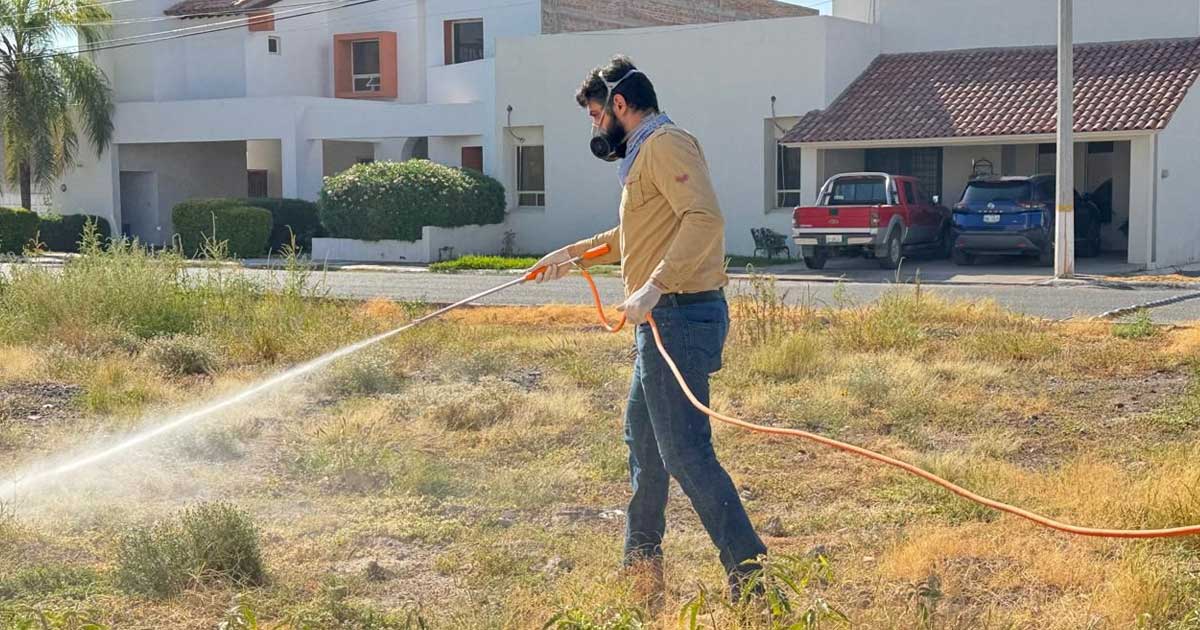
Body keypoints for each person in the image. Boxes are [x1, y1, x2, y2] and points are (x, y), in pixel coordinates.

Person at [531, 55, 768, 604]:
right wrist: (568, 256)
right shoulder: (641, 158)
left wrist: (655, 285)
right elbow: (629, 234)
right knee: (644, 442)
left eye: (595, 115)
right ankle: (641, 568)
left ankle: (752, 579)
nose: (595, 128)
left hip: (680, 316)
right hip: (662, 320)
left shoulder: (665, 145)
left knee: (685, 453)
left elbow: (704, 218)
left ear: (619, 105)